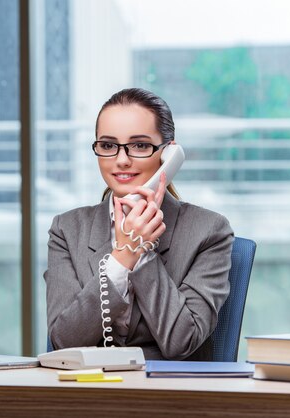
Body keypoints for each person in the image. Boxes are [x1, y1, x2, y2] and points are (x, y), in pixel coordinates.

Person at [44, 88, 233, 361]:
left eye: (140, 145)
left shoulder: (209, 231)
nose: (122, 160)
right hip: (89, 394)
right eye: (108, 145)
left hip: (169, 395)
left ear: (170, 154)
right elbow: (63, 342)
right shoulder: (67, 229)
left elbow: (182, 341)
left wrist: (142, 253)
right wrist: (123, 257)